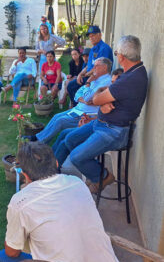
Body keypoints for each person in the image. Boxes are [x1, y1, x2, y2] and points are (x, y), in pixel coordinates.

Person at [0, 142, 122, 262]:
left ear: (25, 174)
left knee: (2, 258)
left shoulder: (20, 202)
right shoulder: (77, 182)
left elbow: (12, 252)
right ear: (56, 163)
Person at [62, 35, 148, 193]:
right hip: (103, 123)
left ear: (121, 56)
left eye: (116, 53)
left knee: (76, 156)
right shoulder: (135, 72)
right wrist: (102, 102)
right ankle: (93, 175)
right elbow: (101, 99)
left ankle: (104, 176)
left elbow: (94, 99)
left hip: (113, 131)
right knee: (70, 139)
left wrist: (101, 97)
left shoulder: (129, 79)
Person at [24, 57, 112, 143]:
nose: (93, 68)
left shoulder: (106, 82)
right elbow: (77, 95)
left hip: (87, 115)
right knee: (56, 116)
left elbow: (86, 97)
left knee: (60, 121)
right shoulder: (96, 79)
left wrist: (88, 83)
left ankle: (38, 141)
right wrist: (84, 100)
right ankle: (39, 137)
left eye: (96, 66)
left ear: (104, 68)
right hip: (79, 109)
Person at [53, 68, 124, 170]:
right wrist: (89, 120)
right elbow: (102, 116)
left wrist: (93, 86)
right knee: (64, 133)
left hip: (105, 131)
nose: (112, 86)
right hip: (97, 124)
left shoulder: (117, 98)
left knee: (67, 140)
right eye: (111, 82)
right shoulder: (110, 93)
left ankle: (52, 170)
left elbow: (109, 120)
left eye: (115, 83)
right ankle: (50, 162)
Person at [67, 26, 113, 106]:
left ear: (99, 35)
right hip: (90, 76)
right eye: (90, 36)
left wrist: (85, 75)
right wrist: (80, 75)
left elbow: (98, 68)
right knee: (71, 85)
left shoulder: (104, 48)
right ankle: (78, 107)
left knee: (72, 86)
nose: (91, 38)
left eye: (93, 35)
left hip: (98, 79)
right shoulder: (93, 49)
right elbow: (88, 66)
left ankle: (77, 107)